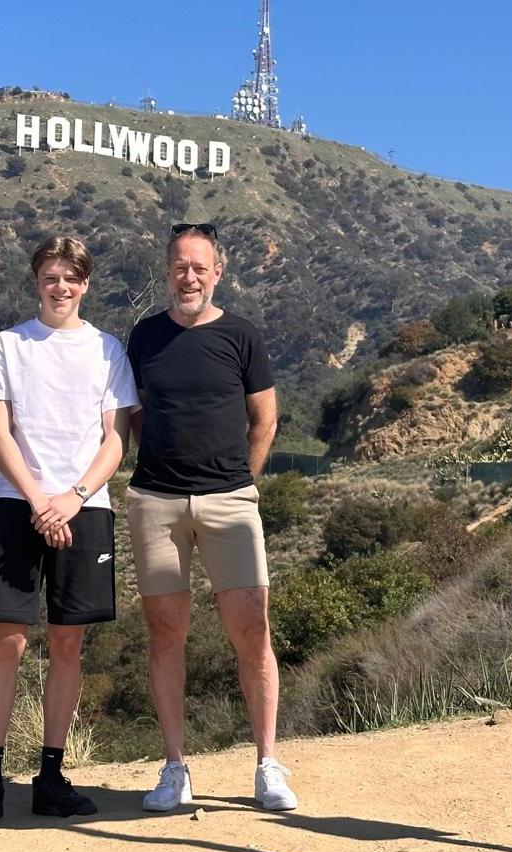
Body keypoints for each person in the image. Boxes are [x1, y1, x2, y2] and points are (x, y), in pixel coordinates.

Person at [0, 235, 137, 829]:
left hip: (86, 508)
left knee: (68, 644)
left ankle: (51, 776)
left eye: (71, 278)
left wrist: (73, 498)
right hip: (19, 506)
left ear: (85, 283)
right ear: (36, 281)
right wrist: (41, 500)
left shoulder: (107, 349)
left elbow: (117, 439)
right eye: (50, 277)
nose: (60, 287)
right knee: (8, 641)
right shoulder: (7, 346)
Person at [125, 222, 297, 813]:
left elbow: (265, 419)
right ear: (166, 271)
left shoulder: (242, 335)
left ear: (218, 272)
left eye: (200, 267)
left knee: (253, 632)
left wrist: (241, 482)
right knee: (166, 635)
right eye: (179, 266)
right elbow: (133, 416)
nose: (189, 277)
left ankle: (268, 764)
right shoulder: (143, 336)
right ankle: (174, 768)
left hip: (231, 502)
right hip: (156, 502)